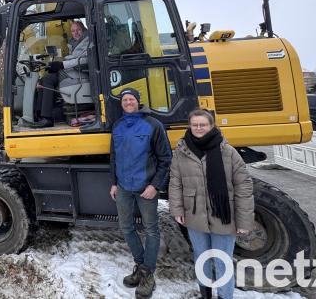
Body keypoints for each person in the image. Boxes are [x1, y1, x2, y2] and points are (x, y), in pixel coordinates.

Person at [169, 109, 254, 299]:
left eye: (203, 124)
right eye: (195, 124)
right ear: (190, 126)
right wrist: (177, 209)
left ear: (212, 126)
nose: (199, 128)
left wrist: (244, 221)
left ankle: (225, 296)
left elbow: (244, 186)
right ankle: (205, 295)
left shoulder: (228, 152)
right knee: (201, 258)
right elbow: (175, 182)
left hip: (224, 216)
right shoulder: (181, 152)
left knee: (223, 261)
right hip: (194, 215)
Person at [109, 88, 172, 299]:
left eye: (131, 99)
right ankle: (140, 266)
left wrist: (155, 186)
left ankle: (148, 274)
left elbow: (165, 159)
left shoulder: (153, 125)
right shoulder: (117, 126)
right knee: (126, 228)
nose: (128, 102)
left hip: (146, 188)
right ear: (121, 104)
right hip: (124, 188)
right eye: (125, 100)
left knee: (151, 230)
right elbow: (114, 158)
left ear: (138, 101)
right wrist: (114, 183)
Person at [29, 19, 89, 128]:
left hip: (79, 73)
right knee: (44, 79)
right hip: (71, 72)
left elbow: (84, 60)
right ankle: (39, 115)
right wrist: (58, 65)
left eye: (78, 30)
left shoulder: (88, 42)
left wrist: (61, 65)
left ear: (83, 30)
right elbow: (72, 58)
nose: (75, 33)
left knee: (48, 79)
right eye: (73, 31)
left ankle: (47, 118)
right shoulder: (75, 43)